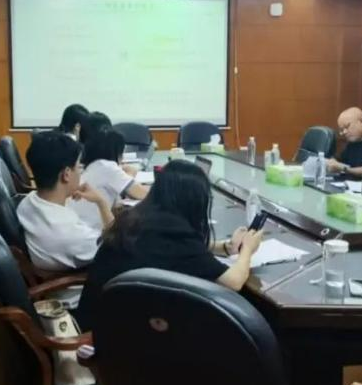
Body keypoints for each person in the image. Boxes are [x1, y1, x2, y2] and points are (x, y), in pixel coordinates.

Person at [76, 159, 264, 330]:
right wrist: (247, 249)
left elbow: (173, 248)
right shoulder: (176, 235)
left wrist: (226, 247)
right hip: (116, 336)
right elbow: (234, 282)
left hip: (99, 322)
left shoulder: (137, 218)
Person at [16, 131, 112, 271]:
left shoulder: (28, 201)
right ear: (66, 174)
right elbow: (115, 248)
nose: (80, 172)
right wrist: (102, 202)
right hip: (83, 283)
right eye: (79, 167)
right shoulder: (74, 235)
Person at [70, 128, 150, 230]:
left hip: (80, 226)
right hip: (94, 231)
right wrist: (131, 174)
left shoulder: (91, 167)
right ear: (116, 151)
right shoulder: (107, 167)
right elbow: (141, 194)